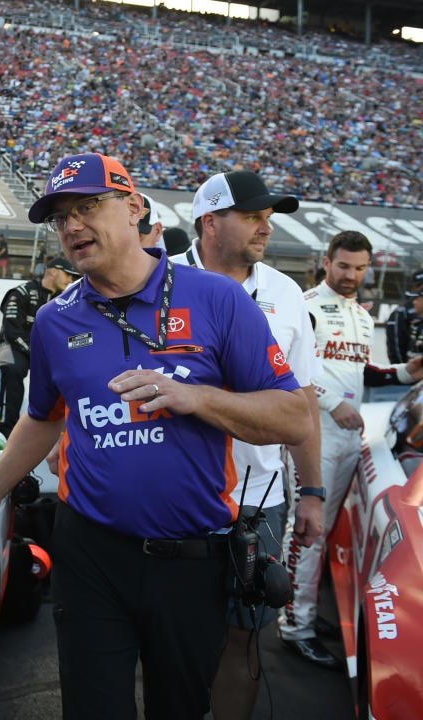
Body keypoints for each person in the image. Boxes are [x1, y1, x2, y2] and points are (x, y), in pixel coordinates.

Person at [0, 151, 311, 720]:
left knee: (178, 707)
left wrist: (196, 397)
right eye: (61, 217)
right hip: (90, 552)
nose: (73, 227)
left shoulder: (217, 298)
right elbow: (43, 417)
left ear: (134, 207)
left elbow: (293, 417)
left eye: (88, 207)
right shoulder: (56, 319)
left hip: (191, 557)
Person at [176, 170, 324, 720]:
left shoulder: (285, 292)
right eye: (253, 215)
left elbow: (304, 403)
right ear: (210, 221)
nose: (267, 226)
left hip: (259, 498)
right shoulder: (156, 280)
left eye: (269, 216)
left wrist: (312, 490)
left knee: (244, 641)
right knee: (173, 639)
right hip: (176, 494)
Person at [278, 230, 423, 668]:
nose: (351, 275)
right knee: (305, 528)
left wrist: (405, 371)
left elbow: (363, 372)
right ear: (326, 262)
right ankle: (293, 627)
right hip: (311, 434)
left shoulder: (361, 314)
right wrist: (331, 402)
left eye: (360, 268)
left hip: (345, 436)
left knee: (318, 532)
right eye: (343, 266)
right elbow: (283, 366)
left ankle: (302, 612)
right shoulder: (304, 306)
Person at [0, 255, 80, 438]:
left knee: (73, 372)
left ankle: (66, 432)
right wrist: (35, 353)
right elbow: (11, 331)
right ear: (54, 271)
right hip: (15, 347)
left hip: (44, 352)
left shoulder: (65, 299)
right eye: (67, 275)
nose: (70, 280)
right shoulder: (21, 292)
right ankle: (5, 431)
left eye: (73, 277)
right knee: (14, 369)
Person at [385, 268, 423, 362]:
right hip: (413, 369)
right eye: (420, 285)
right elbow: (395, 345)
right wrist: (402, 371)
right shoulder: (402, 312)